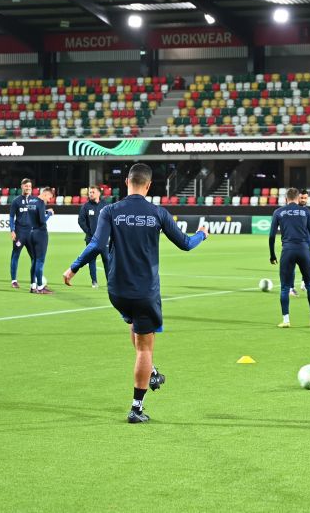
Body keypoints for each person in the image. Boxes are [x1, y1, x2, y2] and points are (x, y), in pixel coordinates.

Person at [63, 163, 208, 424]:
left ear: (127, 182)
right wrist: (202, 235)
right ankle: (136, 408)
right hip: (145, 291)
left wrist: (73, 268)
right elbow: (186, 244)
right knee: (144, 347)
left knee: (134, 326)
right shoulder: (157, 213)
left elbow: (96, 244)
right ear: (149, 185)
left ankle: (151, 371)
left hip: (116, 291)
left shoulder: (110, 211)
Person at [270, 187, 310, 327]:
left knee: (284, 288)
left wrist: (272, 255)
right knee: (309, 284)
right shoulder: (305, 212)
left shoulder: (278, 212)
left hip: (287, 251)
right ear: (298, 198)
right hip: (304, 250)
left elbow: (271, 236)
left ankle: (286, 321)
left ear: (286, 198)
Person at [78, 185, 104, 288]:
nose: (90, 194)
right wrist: (88, 231)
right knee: (91, 260)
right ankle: (94, 281)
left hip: (104, 238)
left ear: (98, 193)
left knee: (107, 260)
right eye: (89, 192)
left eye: (93, 192)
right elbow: (81, 220)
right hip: (91, 239)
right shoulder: (86, 206)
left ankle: (110, 281)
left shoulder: (105, 205)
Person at [31, 187, 56, 293]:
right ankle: (40, 287)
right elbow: (42, 221)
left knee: (34, 261)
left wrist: (45, 210)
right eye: (49, 197)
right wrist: (49, 214)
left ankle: (33, 286)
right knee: (40, 261)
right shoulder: (41, 203)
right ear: (45, 194)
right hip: (40, 234)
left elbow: (34, 214)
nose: (49, 200)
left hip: (30, 234)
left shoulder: (32, 201)